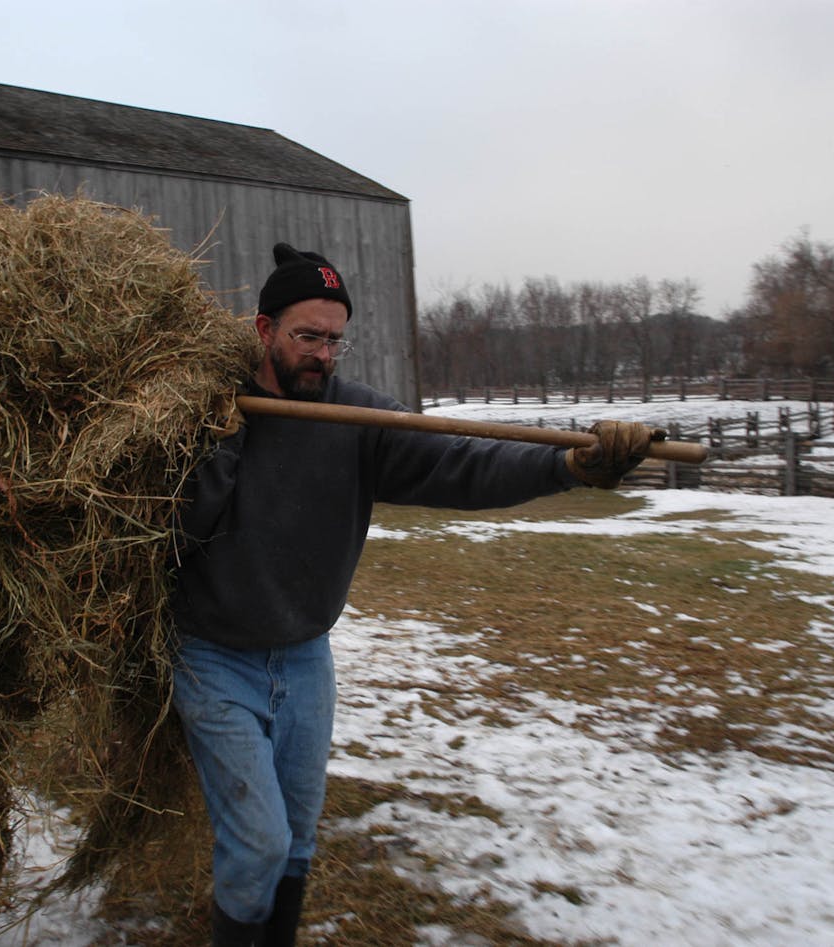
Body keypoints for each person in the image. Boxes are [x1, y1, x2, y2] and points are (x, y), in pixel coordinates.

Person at [168, 243, 661, 946]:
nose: (323, 355)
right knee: (259, 844)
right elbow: (168, 527)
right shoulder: (206, 416)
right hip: (213, 654)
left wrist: (567, 466)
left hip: (305, 654)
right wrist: (220, 441)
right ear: (263, 330)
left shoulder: (356, 422)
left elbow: (460, 461)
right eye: (307, 337)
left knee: (298, 841)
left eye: (335, 339)